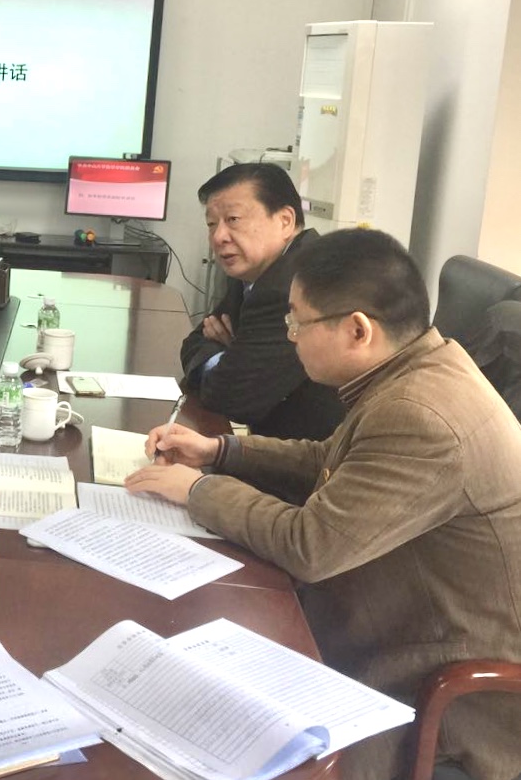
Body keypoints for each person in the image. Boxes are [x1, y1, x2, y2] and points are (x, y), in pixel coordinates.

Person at [128, 229, 521, 780]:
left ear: (358, 329)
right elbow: (330, 459)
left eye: (298, 322)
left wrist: (196, 490)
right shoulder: (420, 369)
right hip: (387, 627)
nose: (289, 336)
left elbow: (309, 546)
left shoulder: (422, 415)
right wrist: (219, 450)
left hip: (436, 691)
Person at [180, 162, 344, 440]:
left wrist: (233, 356)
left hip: (311, 456)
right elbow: (194, 342)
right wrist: (233, 357)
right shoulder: (258, 270)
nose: (218, 237)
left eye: (233, 219)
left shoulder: (292, 287)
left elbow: (230, 395)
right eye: (211, 224)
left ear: (285, 221)